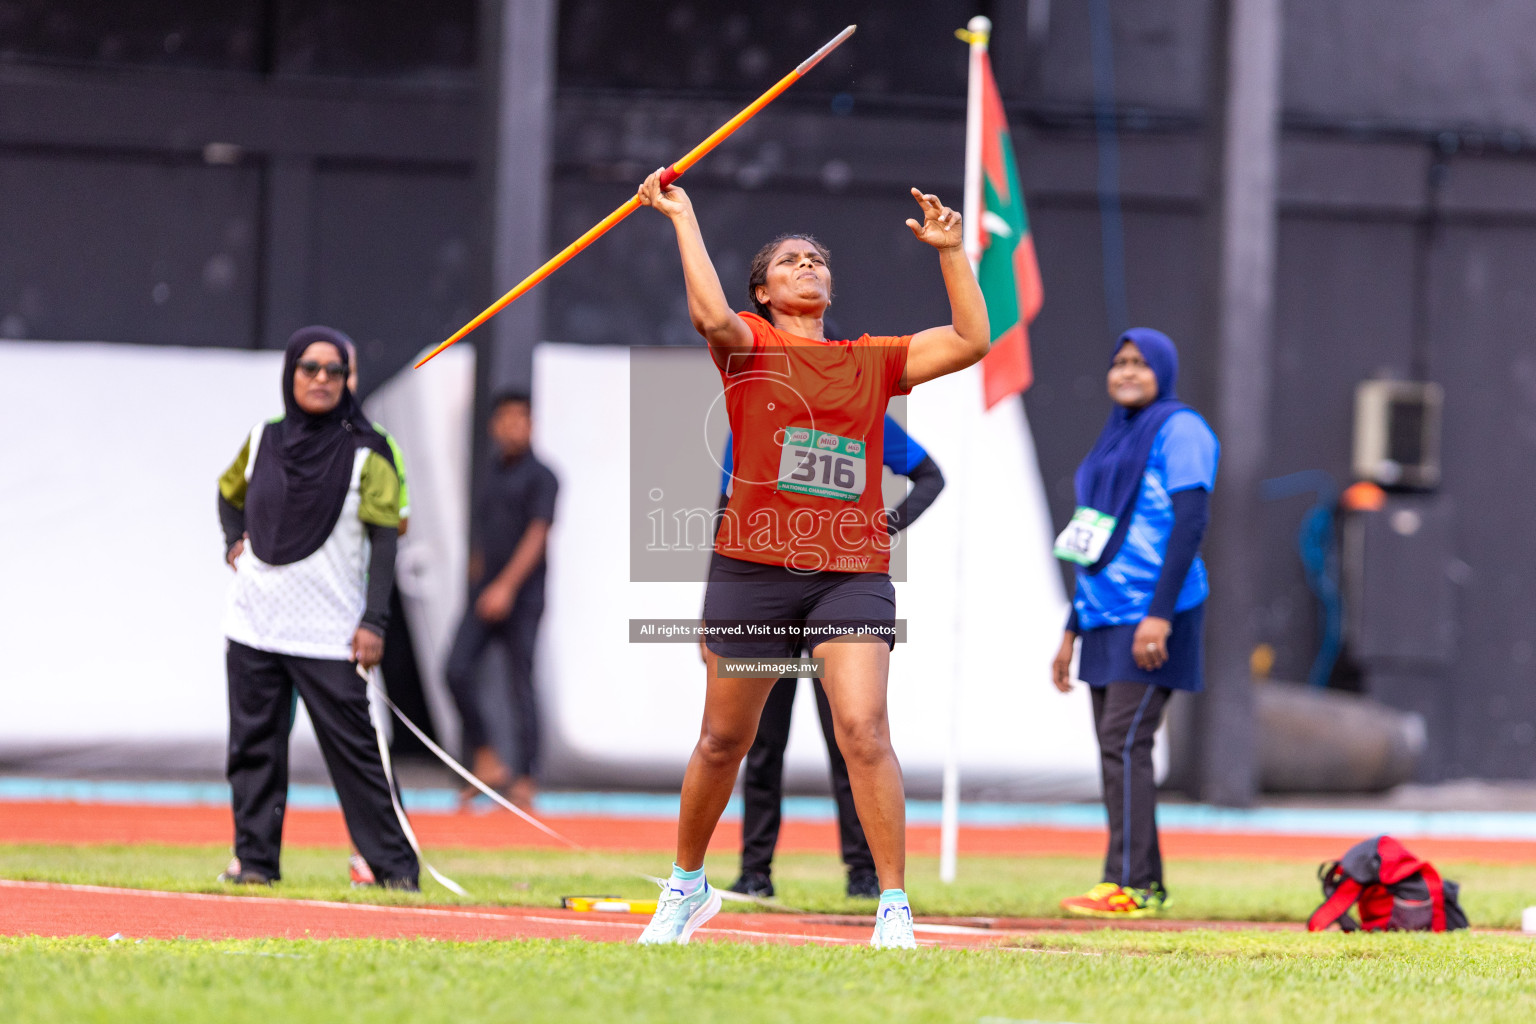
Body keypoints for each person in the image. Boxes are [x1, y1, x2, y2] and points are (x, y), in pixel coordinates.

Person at [633, 169, 989, 949]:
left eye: (818, 259)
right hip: (752, 571)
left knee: (863, 729)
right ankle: (689, 886)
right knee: (722, 743)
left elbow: (969, 341)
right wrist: (683, 217)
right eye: (791, 260)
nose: (809, 265)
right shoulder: (749, 347)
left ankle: (892, 907)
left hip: (850, 572)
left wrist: (952, 253)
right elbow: (705, 312)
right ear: (762, 291)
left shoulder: (870, 361)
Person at [216, 325, 419, 889]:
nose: (322, 379)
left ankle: (393, 869)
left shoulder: (369, 449)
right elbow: (227, 492)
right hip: (255, 622)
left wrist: (374, 621)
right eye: (310, 368)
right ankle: (255, 861)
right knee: (253, 749)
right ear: (290, 373)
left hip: (330, 628)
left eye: (334, 370)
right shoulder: (262, 438)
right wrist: (233, 537)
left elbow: (386, 539)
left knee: (356, 756)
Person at [722, 415, 945, 900]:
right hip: (767, 597)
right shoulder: (753, 407)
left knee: (853, 737)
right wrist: (714, 610)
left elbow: (931, 476)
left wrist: (886, 525)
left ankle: (864, 873)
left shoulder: (862, 411)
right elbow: (728, 512)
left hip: (839, 595)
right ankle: (755, 872)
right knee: (761, 740)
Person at [1049, 328, 1218, 918]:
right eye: (1118, 361)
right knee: (1116, 747)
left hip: (1153, 614)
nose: (1125, 371)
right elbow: (1091, 534)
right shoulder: (1114, 437)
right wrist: (1071, 629)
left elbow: (1190, 523)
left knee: (1124, 742)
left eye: (1140, 363)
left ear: (1163, 372)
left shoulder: (1182, 429)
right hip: (1102, 613)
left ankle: (1128, 884)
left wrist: (1159, 615)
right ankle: (1140, 881)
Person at [443, 391, 558, 811]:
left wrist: (506, 587)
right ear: (493, 425)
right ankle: (487, 758)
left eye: (520, 418)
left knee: (520, 683)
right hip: (484, 591)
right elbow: (483, 530)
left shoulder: (543, 476)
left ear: (531, 424)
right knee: (455, 669)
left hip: (522, 596)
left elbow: (538, 534)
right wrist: (479, 578)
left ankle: (526, 777)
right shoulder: (490, 471)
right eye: (505, 418)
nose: (512, 425)